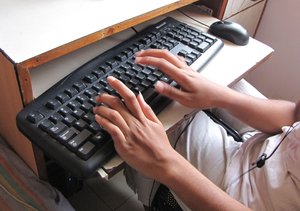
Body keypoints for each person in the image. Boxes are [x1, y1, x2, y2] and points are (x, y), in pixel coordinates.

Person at [93, 49, 300, 210]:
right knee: (209, 74)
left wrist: (165, 161)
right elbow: (294, 115)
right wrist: (222, 95)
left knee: (156, 118)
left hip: (244, 198)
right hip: (274, 148)